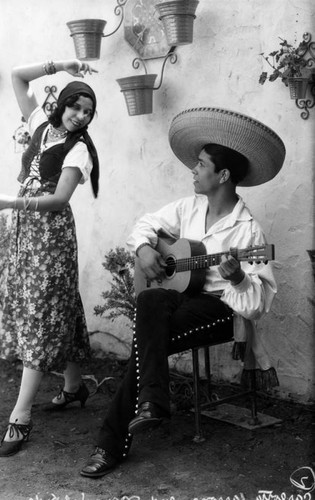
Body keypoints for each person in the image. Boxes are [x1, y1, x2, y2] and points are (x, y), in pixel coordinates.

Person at [80, 107, 285, 478]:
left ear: (222, 175)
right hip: (181, 300)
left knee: (146, 342)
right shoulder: (189, 207)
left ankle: (112, 441)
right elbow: (145, 224)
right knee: (150, 297)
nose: (193, 169)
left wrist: (238, 277)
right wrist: (145, 250)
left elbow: (256, 305)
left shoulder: (248, 232)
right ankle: (152, 403)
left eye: (201, 164)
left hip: (220, 310)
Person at [0, 58, 99, 457]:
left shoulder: (78, 151)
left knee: (42, 313)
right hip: (28, 235)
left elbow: (60, 199)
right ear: (62, 103)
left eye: (88, 113)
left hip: (52, 235)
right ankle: (74, 387)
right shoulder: (41, 126)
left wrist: (6, 201)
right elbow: (16, 76)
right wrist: (61, 64)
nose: (80, 117)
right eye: (76, 107)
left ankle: (20, 417)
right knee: (56, 305)